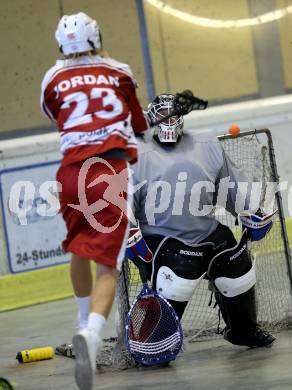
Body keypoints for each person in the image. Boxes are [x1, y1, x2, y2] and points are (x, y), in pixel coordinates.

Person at [40, 12, 150, 390]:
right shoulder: (118, 71)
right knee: (109, 265)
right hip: (109, 170)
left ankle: (80, 318)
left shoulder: (52, 77)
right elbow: (138, 125)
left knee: (78, 248)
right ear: (96, 37)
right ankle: (92, 333)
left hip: (69, 173)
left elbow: (58, 115)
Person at [127, 94, 276, 350]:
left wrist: (251, 213)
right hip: (162, 238)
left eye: (173, 116)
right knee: (178, 274)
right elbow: (120, 199)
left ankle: (244, 330)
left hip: (206, 230)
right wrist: (127, 230)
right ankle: (156, 341)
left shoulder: (206, 142)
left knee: (236, 263)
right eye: (164, 118)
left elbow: (230, 184)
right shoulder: (135, 153)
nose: (169, 123)